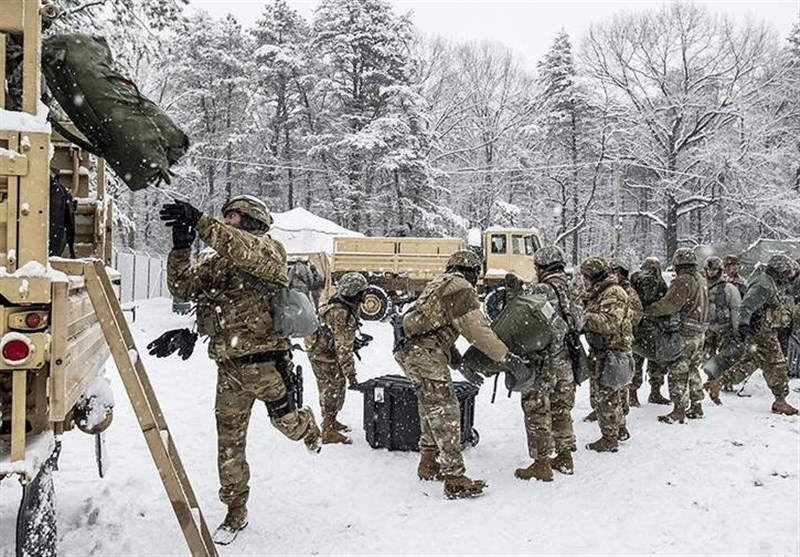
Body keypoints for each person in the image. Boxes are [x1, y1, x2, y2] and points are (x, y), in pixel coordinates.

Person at [160, 195, 322, 545]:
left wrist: (200, 220)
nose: (226, 221)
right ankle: (236, 509)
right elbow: (183, 287)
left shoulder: (268, 250)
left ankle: (308, 425)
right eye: (225, 217)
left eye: (232, 216)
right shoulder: (220, 261)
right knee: (229, 444)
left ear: (252, 221)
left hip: (267, 366)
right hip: (229, 368)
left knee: (288, 426)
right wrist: (181, 248)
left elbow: (239, 248)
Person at [394, 249, 525, 499]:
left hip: (412, 350)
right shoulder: (460, 287)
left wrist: (458, 363)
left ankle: (429, 462)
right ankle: (454, 478)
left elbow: (436, 327)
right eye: (476, 273)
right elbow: (477, 330)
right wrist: (506, 358)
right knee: (446, 412)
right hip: (424, 354)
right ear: (472, 271)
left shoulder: (440, 283)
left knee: (431, 408)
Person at [515, 246, 584, 481]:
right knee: (561, 408)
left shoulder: (540, 289)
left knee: (536, 409)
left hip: (543, 362)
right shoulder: (572, 288)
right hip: (566, 359)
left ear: (542, 267)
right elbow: (580, 321)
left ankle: (541, 463)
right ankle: (565, 457)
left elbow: (523, 323)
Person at [705, 254, 799, 416]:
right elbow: (746, 305)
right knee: (777, 365)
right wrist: (743, 324)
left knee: (749, 363)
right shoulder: (764, 285)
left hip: (759, 331)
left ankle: (718, 383)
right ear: (779, 271)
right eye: (785, 272)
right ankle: (780, 401)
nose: (787, 276)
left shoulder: (767, 282)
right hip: (763, 332)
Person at [645, 248, 709, 423]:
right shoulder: (701, 278)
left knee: (678, 370)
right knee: (693, 369)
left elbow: (669, 305)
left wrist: (649, 310)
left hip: (685, 334)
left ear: (678, 263)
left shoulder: (684, 280)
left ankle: (679, 410)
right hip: (699, 333)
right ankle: (697, 405)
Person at [305, 272, 368, 444]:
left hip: (326, 347)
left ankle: (331, 420)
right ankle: (327, 429)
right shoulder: (340, 312)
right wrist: (351, 375)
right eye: (362, 291)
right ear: (355, 293)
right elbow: (343, 349)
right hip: (321, 352)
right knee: (331, 386)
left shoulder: (346, 305)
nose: (365, 295)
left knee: (337, 384)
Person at [581, 257, 633, 452]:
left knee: (606, 396)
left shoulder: (613, 292)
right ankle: (620, 428)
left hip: (613, 351)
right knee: (613, 393)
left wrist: (584, 317)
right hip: (606, 350)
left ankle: (609, 438)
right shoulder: (601, 291)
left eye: (586, 277)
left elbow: (610, 323)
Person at [629, 257, 670, 405]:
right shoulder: (660, 282)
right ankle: (655, 392)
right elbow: (665, 302)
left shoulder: (635, 279)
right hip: (655, 327)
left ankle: (632, 394)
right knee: (656, 360)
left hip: (638, 326)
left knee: (636, 360)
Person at [702, 256, 742, 380]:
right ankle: (712, 379)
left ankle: (724, 381)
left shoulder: (729, 288)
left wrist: (737, 330)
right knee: (707, 358)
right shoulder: (701, 287)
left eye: (714, 270)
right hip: (707, 328)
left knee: (726, 357)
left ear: (719, 270)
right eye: (709, 270)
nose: (711, 272)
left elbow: (736, 310)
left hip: (724, 328)